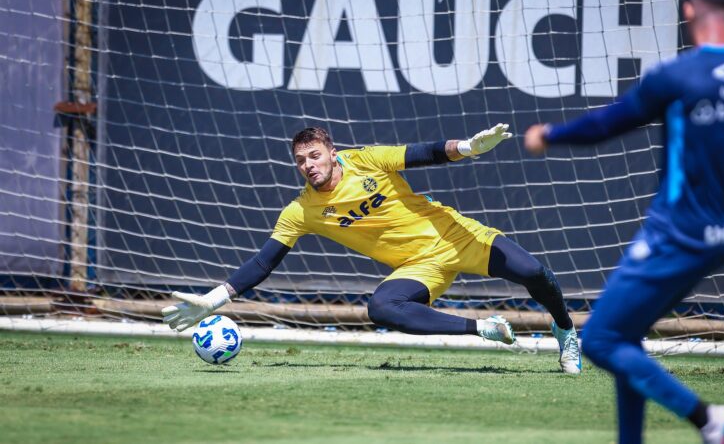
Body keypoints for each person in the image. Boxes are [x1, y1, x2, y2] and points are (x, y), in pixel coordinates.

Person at [523, 0, 724, 441]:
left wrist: (548, 134)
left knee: (602, 340)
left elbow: (608, 124)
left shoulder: (678, 76)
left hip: (678, 232)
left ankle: (708, 419)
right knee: (624, 337)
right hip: (723, 234)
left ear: (688, 10)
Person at [162, 124, 582, 373]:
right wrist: (213, 300)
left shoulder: (367, 160)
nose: (309, 165)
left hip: (456, 235)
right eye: (301, 160)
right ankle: (481, 329)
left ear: (332, 152)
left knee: (533, 273)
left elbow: (426, 154)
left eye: (315, 155)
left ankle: (564, 329)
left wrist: (468, 148)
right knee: (381, 308)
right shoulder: (301, 211)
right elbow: (263, 262)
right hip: (418, 267)